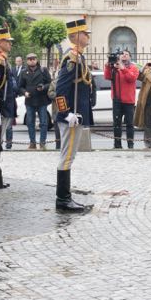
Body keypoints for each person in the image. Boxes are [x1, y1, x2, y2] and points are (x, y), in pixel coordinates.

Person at [53, 17, 94, 212]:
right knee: (67, 156)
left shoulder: (79, 56)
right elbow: (61, 89)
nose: (88, 36)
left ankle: (65, 197)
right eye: (85, 34)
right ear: (76, 36)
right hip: (70, 116)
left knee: (69, 156)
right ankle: (62, 200)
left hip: (77, 113)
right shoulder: (71, 58)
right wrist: (66, 112)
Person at [0, 27, 16, 187]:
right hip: (2, 106)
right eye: (7, 41)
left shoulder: (4, 60)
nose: (10, 44)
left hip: (7, 105)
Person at [104, 50, 137, 149]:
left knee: (129, 124)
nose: (124, 56)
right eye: (122, 54)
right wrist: (108, 66)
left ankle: (130, 145)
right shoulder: (115, 68)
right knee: (117, 123)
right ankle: (117, 145)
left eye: (127, 54)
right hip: (117, 100)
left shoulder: (133, 68)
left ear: (130, 57)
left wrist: (123, 69)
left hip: (128, 101)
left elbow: (131, 78)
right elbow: (107, 77)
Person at [19, 53, 52, 150]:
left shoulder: (43, 70)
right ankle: (32, 143)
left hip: (42, 100)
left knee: (44, 123)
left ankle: (42, 143)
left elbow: (50, 83)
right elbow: (20, 86)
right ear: (27, 61)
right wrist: (24, 92)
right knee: (30, 122)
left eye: (33, 59)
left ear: (36, 60)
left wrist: (43, 87)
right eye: (29, 59)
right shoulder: (24, 72)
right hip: (30, 100)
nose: (32, 60)